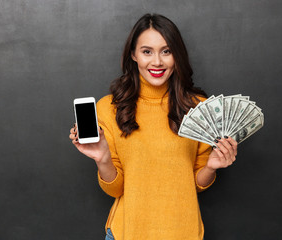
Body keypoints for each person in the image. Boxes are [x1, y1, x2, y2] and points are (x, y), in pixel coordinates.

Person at [69, 13, 238, 240]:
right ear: (133, 55)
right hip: (127, 233)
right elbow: (115, 190)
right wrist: (103, 159)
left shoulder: (199, 107)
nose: (157, 62)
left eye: (166, 51)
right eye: (147, 51)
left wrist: (211, 167)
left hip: (183, 233)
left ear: (176, 56)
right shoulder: (108, 108)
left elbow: (196, 185)